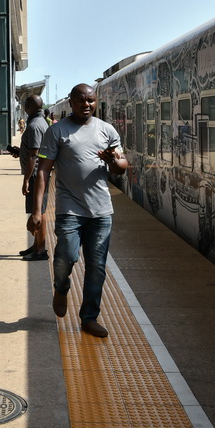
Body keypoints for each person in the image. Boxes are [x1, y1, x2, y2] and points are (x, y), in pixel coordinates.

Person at [28, 84, 129, 339]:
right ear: (71, 102)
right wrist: (37, 210)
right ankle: (61, 288)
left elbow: (122, 167)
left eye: (91, 101)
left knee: (97, 267)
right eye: (82, 100)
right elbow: (43, 171)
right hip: (69, 208)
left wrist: (113, 161)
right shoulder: (57, 131)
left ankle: (89, 318)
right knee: (66, 257)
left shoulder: (107, 131)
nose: (87, 105)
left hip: (101, 211)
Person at [17, 94, 49, 261]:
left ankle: (41, 250)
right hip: (37, 173)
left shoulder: (34, 125)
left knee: (39, 212)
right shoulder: (40, 122)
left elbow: (34, 155)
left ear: (28, 107)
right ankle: (36, 245)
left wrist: (26, 179)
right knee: (38, 210)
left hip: (36, 175)